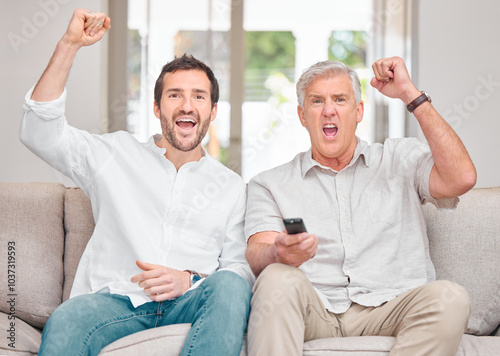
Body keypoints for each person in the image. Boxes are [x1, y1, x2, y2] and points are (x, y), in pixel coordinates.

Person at [20, 9, 254, 356]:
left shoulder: (231, 186)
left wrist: (188, 279)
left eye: (199, 96)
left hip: (188, 302)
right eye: (174, 95)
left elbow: (239, 270)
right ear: (157, 108)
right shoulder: (114, 154)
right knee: (68, 318)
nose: (187, 105)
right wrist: (69, 44)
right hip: (116, 304)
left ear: (213, 111)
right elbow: (39, 133)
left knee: (231, 287)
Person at [244, 57, 477, 356]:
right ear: (303, 116)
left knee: (451, 297)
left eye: (340, 99)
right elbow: (256, 252)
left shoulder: (398, 159)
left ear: (359, 111)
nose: (329, 110)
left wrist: (410, 94)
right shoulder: (269, 183)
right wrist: (279, 252)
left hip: (392, 306)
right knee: (276, 276)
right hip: (316, 308)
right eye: (317, 101)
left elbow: (462, 178)